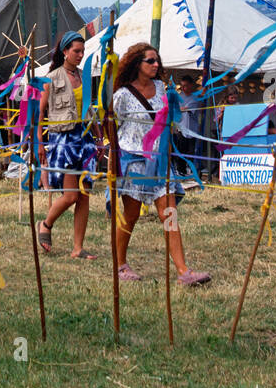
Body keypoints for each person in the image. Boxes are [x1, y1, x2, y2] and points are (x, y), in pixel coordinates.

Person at [111, 43, 210, 286]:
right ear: (137, 64)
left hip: (162, 164)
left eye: (157, 61)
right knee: (131, 216)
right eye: (150, 61)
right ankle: (120, 264)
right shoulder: (122, 95)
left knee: (170, 215)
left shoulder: (161, 89)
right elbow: (109, 125)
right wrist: (114, 158)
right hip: (135, 164)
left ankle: (183, 271)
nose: (156, 65)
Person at [36, 33, 98, 259]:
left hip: (85, 139)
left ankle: (77, 248)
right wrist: (40, 143)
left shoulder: (85, 78)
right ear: (65, 52)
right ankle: (46, 223)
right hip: (63, 140)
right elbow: (40, 113)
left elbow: (90, 109)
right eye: (76, 51)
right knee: (71, 195)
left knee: (84, 195)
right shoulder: (51, 78)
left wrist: (99, 138)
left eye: (82, 51)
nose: (80, 55)